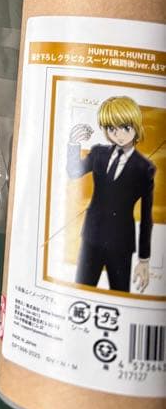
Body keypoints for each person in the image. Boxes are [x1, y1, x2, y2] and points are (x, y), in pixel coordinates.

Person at [66, 95, 154, 293]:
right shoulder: (99, 153)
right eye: (111, 129)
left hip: (121, 243)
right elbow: (73, 171)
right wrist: (73, 143)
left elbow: (147, 218)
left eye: (125, 127)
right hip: (92, 237)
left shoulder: (144, 168)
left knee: (120, 294)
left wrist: (144, 260)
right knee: (80, 290)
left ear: (136, 126)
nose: (119, 135)